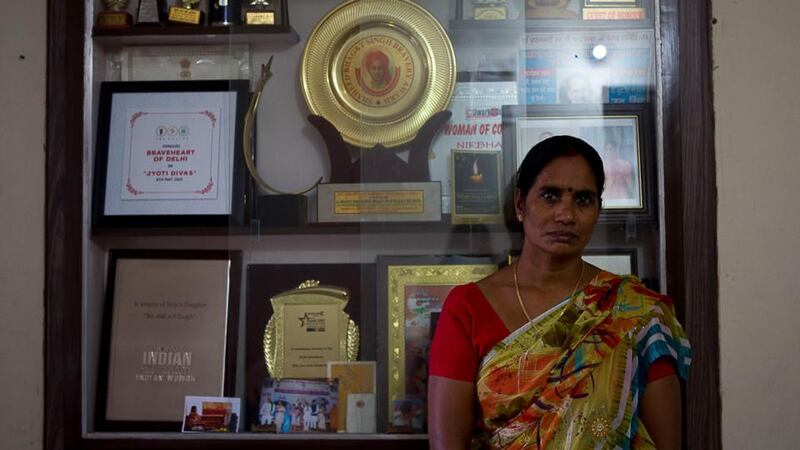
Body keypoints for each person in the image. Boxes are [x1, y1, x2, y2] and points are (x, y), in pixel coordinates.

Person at [428, 135, 691, 449]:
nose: (566, 215)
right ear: (520, 204)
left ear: (598, 209)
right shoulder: (468, 307)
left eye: (583, 199)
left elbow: (667, 443)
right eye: (550, 196)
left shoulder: (636, 313)